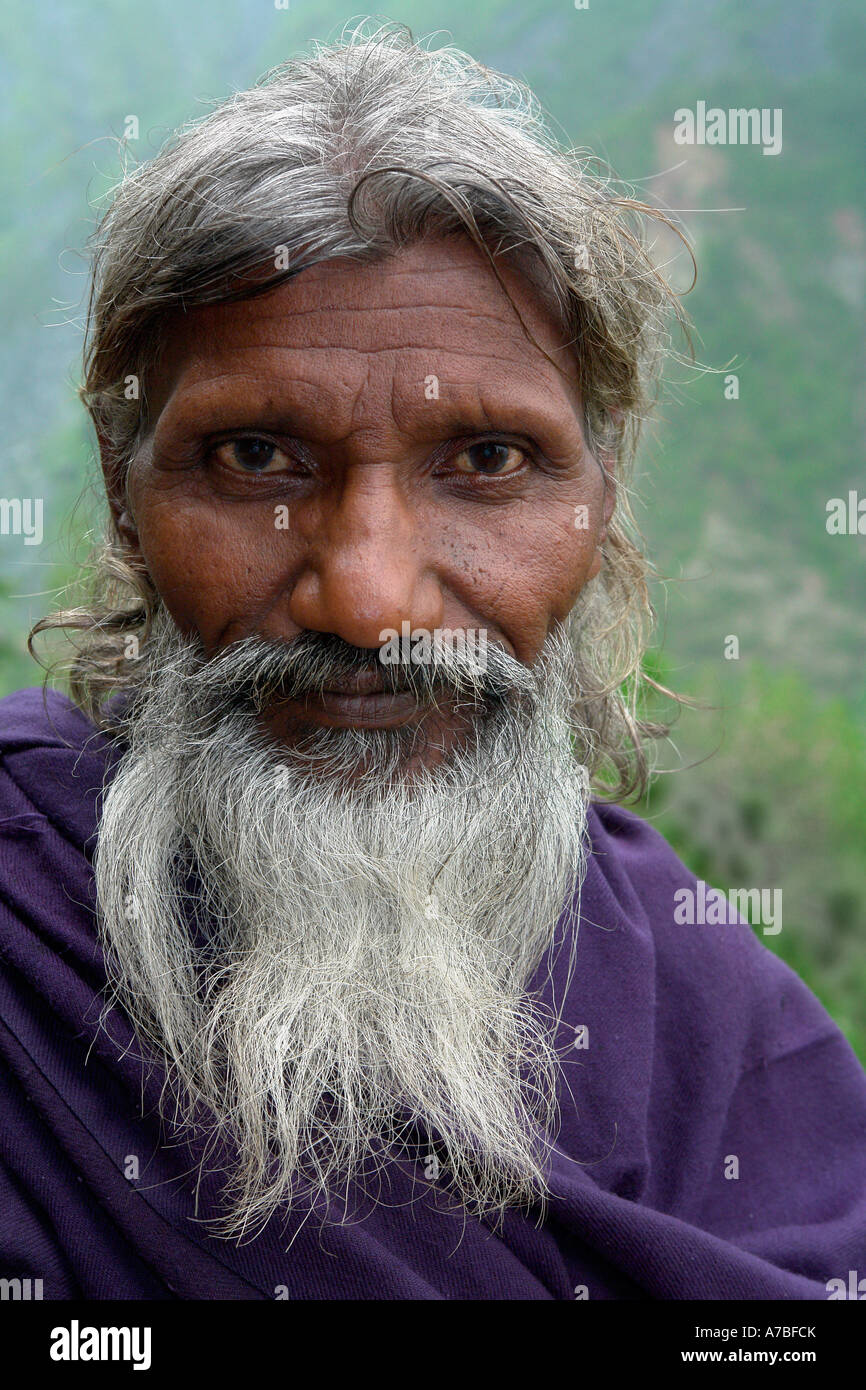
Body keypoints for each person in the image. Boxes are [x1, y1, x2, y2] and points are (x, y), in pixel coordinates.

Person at [2, 23, 864, 1300]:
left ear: (601, 499)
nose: (365, 597)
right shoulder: (27, 914)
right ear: (127, 503)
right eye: (253, 458)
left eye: (486, 462)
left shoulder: (711, 1009)